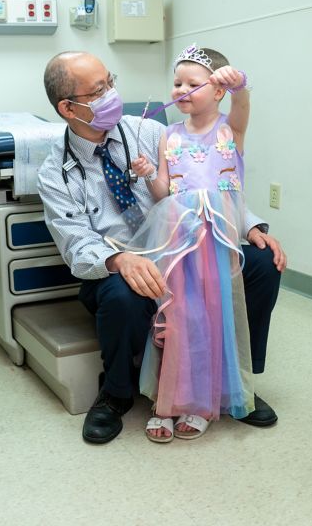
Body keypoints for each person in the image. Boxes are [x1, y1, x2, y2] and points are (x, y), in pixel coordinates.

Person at [37, 51, 286, 445]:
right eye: (99, 90)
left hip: (181, 248)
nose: (112, 95)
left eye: (111, 82)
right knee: (124, 293)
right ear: (68, 108)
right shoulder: (55, 173)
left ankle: (235, 380)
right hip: (117, 262)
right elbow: (75, 243)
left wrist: (252, 225)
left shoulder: (150, 132)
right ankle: (116, 394)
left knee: (261, 263)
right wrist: (120, 259)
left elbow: (204, 179)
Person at [123, 43, 257, 442]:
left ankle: (201, 402)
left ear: (217, 91)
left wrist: (241, 85)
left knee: (212, 318)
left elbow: (243, 105)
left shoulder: (229, 130)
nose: (181, 89)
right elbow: (165, 193)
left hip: (214, 241)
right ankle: (168, 403)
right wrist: (148, 173)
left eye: (192, 83)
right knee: (179, 317)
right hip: (177, 239)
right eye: (176, 82)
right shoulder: (169, 135)